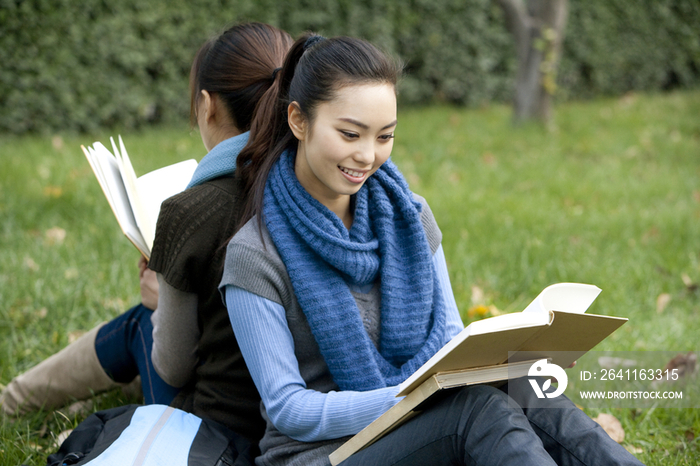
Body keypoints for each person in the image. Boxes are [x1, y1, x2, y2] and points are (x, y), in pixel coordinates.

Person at [219, 33, 646, 465]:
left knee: (528, 390)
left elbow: (449, 341)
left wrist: (510, 364)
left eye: (385, 136)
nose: (368, 155)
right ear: (298, 120)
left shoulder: (411, 216)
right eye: (350, 134)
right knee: (478, 411)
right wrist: (415, 395)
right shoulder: (255, 254)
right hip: (321, 454)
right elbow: (289, 410)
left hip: (421, 422)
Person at [1, 22, 293, 450]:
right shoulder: (315, 186)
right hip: (298, 424)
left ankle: (12, 403)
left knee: (141, 324)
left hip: (214, 437)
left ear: (207, 105)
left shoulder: (192, 211)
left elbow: (173, 367)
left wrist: (161, 303)